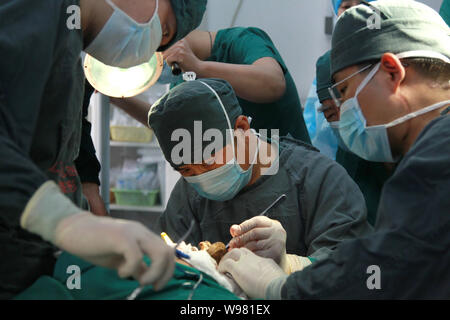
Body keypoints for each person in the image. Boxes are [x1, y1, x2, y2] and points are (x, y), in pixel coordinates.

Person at [218, 0, 450, 299]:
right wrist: (300, 267)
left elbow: (383, 274)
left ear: (392, 72)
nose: (343, 110)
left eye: (344, 91)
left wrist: (283, 288)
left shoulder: (436, 160)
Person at [0, 0, 206, 298]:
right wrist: (64, 222)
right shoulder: (41, 8)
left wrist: (82, 208)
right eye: (163, 30)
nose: (150, 51)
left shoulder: (69, 38)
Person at [148, 78, 372, 277]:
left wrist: (290, 265)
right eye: (186, 170)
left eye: (208, 161)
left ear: (242, 128)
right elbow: (167, 268)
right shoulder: (188, 194)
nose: (200, 176)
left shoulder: (319, 179)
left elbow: (350, 271)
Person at [161, 27, 311, 143]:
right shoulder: (183, 79)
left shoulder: (242, 41)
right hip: (246, 176)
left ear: (166, 32)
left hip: (291, 171)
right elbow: (166, 123)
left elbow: (273, 84)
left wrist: (199, 67)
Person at [315, 51, 392, 226]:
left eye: (350, 104)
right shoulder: (350, 158)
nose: (344, 119)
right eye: (330, 113)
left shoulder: (422, 145)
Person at [303, 0, 374, 159]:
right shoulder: (326, 66)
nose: (354, 11)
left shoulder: (387, 60)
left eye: (363, 4)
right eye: (346, 6)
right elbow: (314, 132)